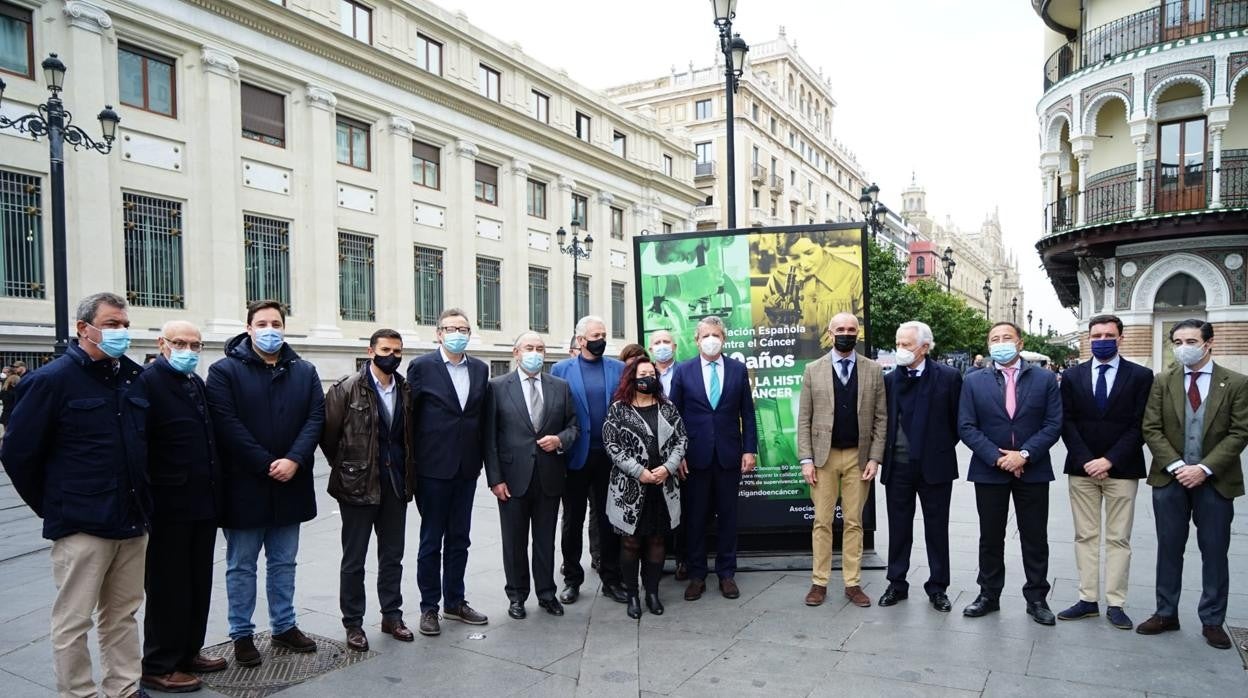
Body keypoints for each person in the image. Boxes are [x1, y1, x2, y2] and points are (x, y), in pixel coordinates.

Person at [1, 292, 150, 698]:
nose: (120, 331)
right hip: (82, 523)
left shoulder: (132, 377)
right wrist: (53, 505)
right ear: (84, 328)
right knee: (74, 619)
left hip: (131, 519)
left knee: (123, 614)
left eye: (124, 323)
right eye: (111, 323)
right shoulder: (50, 380)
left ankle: (123, 686)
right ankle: (78, 692)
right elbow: (18, 453)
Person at [206, 300, 325, 666]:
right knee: (241, 564)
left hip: (292, 481)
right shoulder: (224, 371)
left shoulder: (304, 370)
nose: (270, 329)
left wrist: (294, 459)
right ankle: (241, 633)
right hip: (245, 485)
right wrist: (265, 462)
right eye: (262, 323)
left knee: (284, 562)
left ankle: (284, 626)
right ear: (248, 327)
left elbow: (315, 418)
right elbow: (226, 424)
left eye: (276, 322)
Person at [1139, 319, 1248, 650]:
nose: (1182, 346)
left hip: (1215, 481)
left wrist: (1203, 468)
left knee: (1214, 551)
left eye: (1190, 340)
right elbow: (1151, 427)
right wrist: (1176, 466)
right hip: (1169, 480)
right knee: (1169, 548)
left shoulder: (1236, 383)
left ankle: (1213, 620)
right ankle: (1165, 612)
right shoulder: (1163, 381)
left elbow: (1240, 431)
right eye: (1177, 341)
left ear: (1208, 343)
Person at [138, 321, 226, 692]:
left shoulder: (195, 382)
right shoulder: (147, 382)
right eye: (180, 343)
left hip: (202, 502)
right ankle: (159, 663)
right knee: (168, 586)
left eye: (195, 344)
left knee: (196, 582)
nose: (188, 350)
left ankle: (189, 651)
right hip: (168, 505)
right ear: (162, 344)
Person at [959, 321, 1062, 625]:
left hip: (1033, 470)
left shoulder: (1044, 379)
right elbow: (966, 425)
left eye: (1007, 337)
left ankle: (1037, 598)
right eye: (994, 338)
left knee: (1035, 537)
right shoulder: (974, 381)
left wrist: (1024, 455)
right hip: (990, 470)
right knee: (990, 537)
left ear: (1020, 343)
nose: (1000, 342)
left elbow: (1053, 424)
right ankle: (988, 594)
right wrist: (997, 457)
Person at [321, 329, 418, 651]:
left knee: (393, 556)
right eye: (386, 349)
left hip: (395, 485)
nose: (392, 355)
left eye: (398, 350)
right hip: (358, 486)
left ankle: (392, 615)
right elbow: (329, 436)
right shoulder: (346, 388)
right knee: (354, 559)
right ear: (371, 350)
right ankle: (354, 623)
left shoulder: (405, 389)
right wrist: (350, 467)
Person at [1056, 315, 1152, 630]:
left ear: (1120, 338)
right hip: (1082, 469)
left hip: (1122, 469)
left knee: (1118, 538)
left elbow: (1141, 425)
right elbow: (1065, 422)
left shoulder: (1141, 376)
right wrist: (1086, 459)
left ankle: (1116, 602)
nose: (1102, 339)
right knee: (1085, 535)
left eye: (1108, 334)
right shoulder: (1072, 376)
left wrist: (1109, 460)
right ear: (1088, 338)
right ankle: (1087, 599)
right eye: (1096, 335)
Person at [407, 308, 491, 636]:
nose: (459, 332)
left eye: (464, 328)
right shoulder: (422, 367)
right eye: (452, 328)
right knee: (431, 539)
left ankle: (455, 601)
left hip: (467, 468)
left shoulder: (481, 369)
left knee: (460, 538)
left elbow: (481, 418)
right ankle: (429, 607)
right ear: (438, 333)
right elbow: (410, 420)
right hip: (432, 469)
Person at [484, 332, 579, 620]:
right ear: (516, 353)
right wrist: (495, 479)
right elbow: (489, 438)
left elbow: (573, 426)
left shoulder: (560, 387)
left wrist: (560, 440)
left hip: (549, 476)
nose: (535, 352)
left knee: (544, 540)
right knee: (513, 541)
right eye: (529, 348)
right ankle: (516, 595)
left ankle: (547, 593)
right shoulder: (497, 387)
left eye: (540, 348)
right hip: (512, 479)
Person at [796, 312, 886, 608]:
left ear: (858, 334)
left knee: (853, 522)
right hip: (823, 458)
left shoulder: (873, 370)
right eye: (841, 329)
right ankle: (819, 582)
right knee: (821, 522)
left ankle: (852, 583)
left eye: (851, 329)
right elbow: (804, 419)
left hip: (858, 459)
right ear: (830, 333)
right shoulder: (813, 370)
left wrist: (875, 457)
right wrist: (806, 459)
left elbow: (880, 418)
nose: (846, 333)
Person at [669, 315, 757, 601]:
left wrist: (749, 449)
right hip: (694, 457)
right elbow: (673, 417)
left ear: (724, 339)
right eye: (705, 335)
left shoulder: (737, 369)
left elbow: (748, 413)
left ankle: (726, 573)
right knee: (694, 518)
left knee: (729, 517)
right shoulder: (683, 371)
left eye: (716, 335)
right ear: (696, 340)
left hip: (729, 456)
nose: (711, 340)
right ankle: (696, 575)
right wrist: (676, 454)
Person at [878, 321, 961, 612]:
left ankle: (938, 587)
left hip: (935, 467)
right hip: (898, 466)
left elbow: (957, 423)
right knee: (899, 528)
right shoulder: (889, 379)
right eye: (898, 344)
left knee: (936, 529)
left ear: (925, 348)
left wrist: (936, 448)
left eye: (907, 345)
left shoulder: (949, 377)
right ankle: (896, 584)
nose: (900, 350)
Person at [603, 357, 687, 618]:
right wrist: (640, 472)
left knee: (658, 539)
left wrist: (667, 468)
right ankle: (632, 595)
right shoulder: (619, 408)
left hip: (662, 485)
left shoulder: (667, 407)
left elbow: (681, 439)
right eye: (642, 374)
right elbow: (611, 444)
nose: (647, 378)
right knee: (630, 542)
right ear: (631, 377)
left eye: (651, 374)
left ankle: (652, 592)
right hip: (631, 488)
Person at [552, 316, 626, 605]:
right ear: (581, 340)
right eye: (596, 334)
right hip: (575, 457)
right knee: (572, 520)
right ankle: (572, 578)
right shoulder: (561, 369)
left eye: (604, 334)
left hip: (610, 457)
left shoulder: (618, 369)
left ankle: (611, 577)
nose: (602, 339)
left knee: (609, 521)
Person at [761, 233, 863, 353]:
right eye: (794, 257)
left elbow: (865, 324)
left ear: (821, 245)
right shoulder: (778, 278)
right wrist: (772, 320)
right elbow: (761, 332)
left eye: (809, 252)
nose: (804, 264)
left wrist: (846, 336)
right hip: (793, 363)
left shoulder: (852, 274)